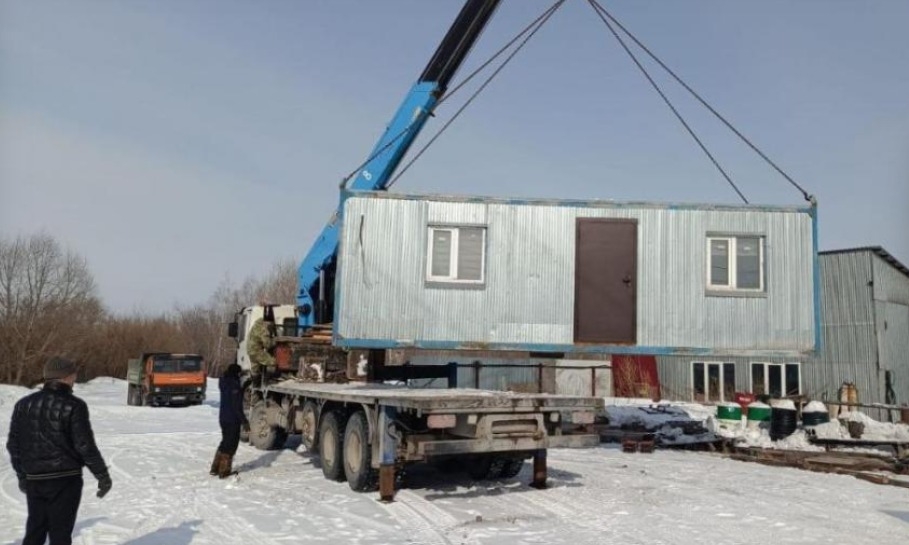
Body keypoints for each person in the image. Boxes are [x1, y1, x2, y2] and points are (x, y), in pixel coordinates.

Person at [6, 356, 112, 545]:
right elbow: (84, 445)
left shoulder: (23, 405)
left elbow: (14, 445)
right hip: (65, 479)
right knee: (60, 533)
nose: (75, 379)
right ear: (66, 377)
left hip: (35, 480)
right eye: (73, 375)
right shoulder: (74, 405)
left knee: (35, 530)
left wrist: (23, 475)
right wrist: (102, 474)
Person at [209, 363, 248, 478]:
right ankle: (224, 471)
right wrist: (244, 421)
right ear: (236, 373)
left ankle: (215, 467)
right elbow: (236, 406)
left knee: (224, 442)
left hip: (223, 418)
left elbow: (232, 394)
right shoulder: (234, 385)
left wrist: (243, 386)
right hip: (232, 419)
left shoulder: (224, 382)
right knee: (231, 444)